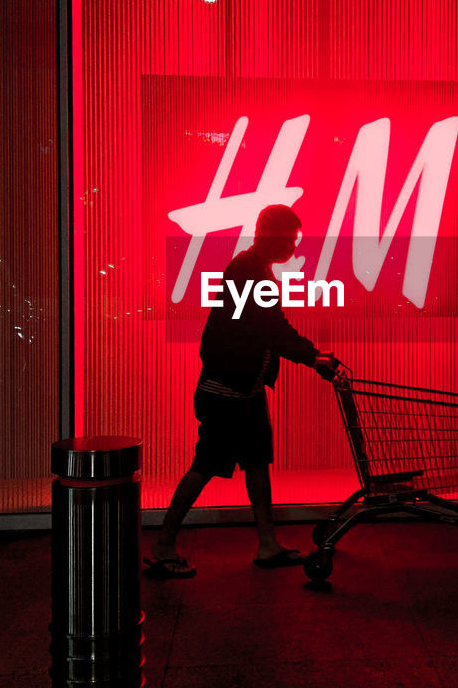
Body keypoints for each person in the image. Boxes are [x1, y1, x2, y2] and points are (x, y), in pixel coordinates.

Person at [144, 204, 337, 578]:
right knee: (206, 466)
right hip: (229, 393)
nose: (294, 249)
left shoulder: (250, 268)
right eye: (292, 240)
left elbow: (268, 327)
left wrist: (311, 355)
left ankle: (267, 543)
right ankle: (164, 545)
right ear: (274, 235)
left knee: (256, 462)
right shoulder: (248, 271)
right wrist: (312, 357)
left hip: (242, 390)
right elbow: (270, 328)